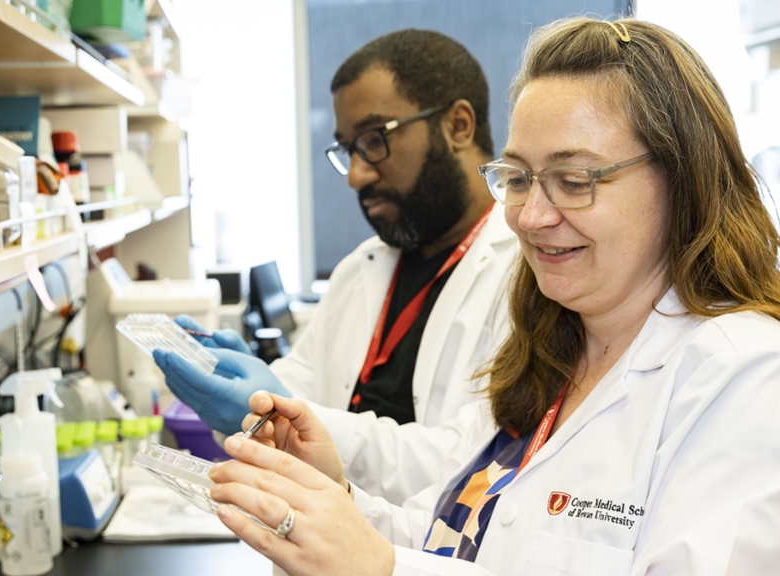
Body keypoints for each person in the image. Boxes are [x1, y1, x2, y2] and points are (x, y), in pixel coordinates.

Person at [202, 17, 780, 576]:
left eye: (574, 179)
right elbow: (445, 539)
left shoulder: (753, 382)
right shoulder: (551, 358)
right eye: (520, 177)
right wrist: (329, 508)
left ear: (681, 179)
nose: (528, 215)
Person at [155, 29, 519, 503]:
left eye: (374, 140)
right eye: (348, 149)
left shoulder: (525, 278)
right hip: (322, 550)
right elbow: (301, 382)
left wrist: (293, 415)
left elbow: (472, 463)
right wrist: (250, 389)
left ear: (459, 125)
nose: (356, 175)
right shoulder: (359, 270)